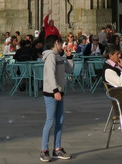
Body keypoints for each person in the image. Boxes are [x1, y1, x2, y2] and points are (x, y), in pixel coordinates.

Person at [40, 34, 73, 163]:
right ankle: (44, 150)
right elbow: (50, 75)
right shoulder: (50, 57)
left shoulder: (59, 56)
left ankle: (57, 148)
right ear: (55, 43)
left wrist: (69, 57)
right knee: (50, 121)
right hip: (51, 93)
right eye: (61, 43)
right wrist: (55, 90)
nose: (62, 45)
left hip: (59, 92)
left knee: (60, 120)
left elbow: (69, 70)